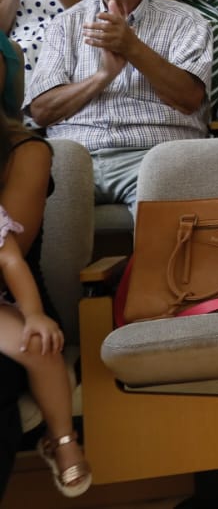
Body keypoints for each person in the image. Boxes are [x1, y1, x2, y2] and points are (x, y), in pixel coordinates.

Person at [25, 0, 210, 209]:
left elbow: (189, 100)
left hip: (154, 155)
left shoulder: (187, 21)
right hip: (76, 156)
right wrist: (102, 76)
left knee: (162, 242)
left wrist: (132, 48)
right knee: (46, 233)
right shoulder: (66, 24)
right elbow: (41, 112)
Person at [0, 114, 91, 497]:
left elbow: (9, 260)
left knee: (37, 345)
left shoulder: (26, 152)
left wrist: (34, 314)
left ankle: (63, 439)